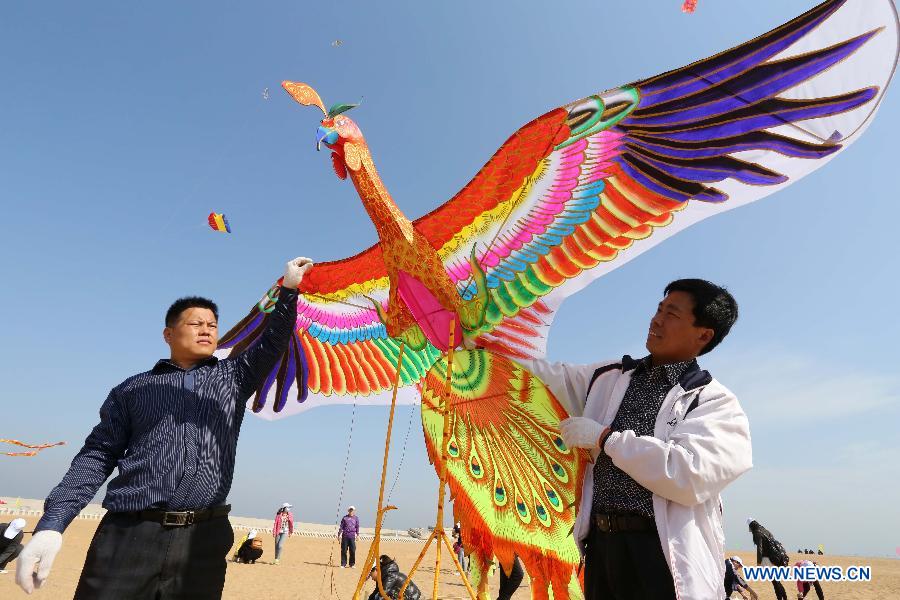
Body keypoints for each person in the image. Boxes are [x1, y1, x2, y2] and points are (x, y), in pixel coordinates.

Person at [15, 257, 314, 598]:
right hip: (129, 535)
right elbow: (97, 456)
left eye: (213, 325)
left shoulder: (233, 377)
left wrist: (289, 290)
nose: (207, 330)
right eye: (196, 323)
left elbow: (274, 342)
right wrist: (53, 524)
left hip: (204, 539)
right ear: (168, 334)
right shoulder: (132, 389)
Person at [517, 279, 751, 599]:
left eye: (672, 314)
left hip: (659, 553)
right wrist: (479, 349)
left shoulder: (714, 403)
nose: (656, 319)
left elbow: (688, 474)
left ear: (703, 334)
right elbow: (547, 376)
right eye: (658, 309)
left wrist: (605, 439)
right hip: (602, 545)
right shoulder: (609, 376)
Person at [748, 519, 790, 600]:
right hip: (778, 557)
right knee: (776, 580)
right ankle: (784, 598)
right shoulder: (765, 530)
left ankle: (781, 598)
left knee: (775, 581)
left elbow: (759, 549)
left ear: (751, 526)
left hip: (770, 559)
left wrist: (759, 563)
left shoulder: (757, 533)